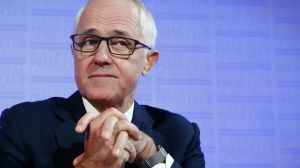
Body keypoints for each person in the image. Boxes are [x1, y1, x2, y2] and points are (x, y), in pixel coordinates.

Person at [0, 0, 205, 167]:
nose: (101, 57)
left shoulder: (180, 134)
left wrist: (152, 155)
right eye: (89, 41)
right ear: (74, 52)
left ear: (148, 62)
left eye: (120, 43)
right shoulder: (24, 125)